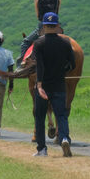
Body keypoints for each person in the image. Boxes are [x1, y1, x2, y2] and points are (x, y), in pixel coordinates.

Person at [32, 12, 76, 157]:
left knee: (40, 117)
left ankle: (42, 149)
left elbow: (40, 67)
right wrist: (62, 70)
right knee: (61, 115)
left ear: (44, 26)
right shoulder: (65, 43)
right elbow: (72, 64)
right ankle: (64, 138)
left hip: (43, 86)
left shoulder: (38, 43)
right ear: (57, 26)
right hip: (59, 85)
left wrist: (39, 84)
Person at [18, 0, 62, 67]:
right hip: (56, 26)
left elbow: (38, 15)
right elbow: (57, 12)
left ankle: (20, 67)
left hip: (43, 27)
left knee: (25, 43)